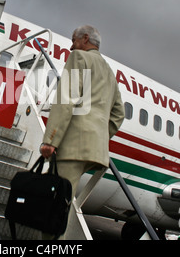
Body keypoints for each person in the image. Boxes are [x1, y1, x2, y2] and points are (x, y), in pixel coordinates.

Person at [39, 25, 125, 239]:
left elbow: (66, 98)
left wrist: (51, 139)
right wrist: (98, 137)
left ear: (85, 39)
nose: (71, 46)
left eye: (74, 40)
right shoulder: (108, 70)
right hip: (93, 151)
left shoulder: (79, 58)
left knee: (55, 207)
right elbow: (119, 114)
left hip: (71, 147)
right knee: (64, 203)